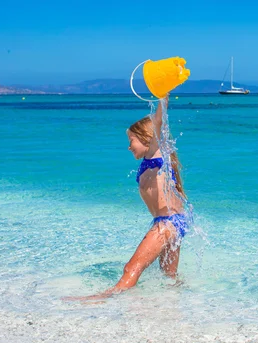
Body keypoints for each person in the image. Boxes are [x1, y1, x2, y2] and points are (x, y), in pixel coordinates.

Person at [64, 95, 188, 301]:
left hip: (167, 223)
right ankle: (175, 307)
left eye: (131, 141)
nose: (129, 146)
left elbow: (158, 121)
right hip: (172, 222)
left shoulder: (156, 154)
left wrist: (162, 98)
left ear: (148, 139)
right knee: (169, 277)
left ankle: (104, 298)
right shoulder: (150, 160)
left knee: (132, 267)